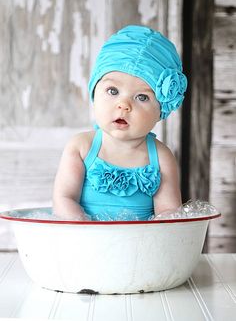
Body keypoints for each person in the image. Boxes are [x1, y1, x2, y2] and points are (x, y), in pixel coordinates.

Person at [53, 25, 187, 221]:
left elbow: (168, 214)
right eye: (113, 91)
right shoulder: (82, 148)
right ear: (94, 92)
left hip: (139, 246)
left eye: (142, 97)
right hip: (85, 242)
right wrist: (85, 228)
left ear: (161, 110)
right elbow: (64, 198)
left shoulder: (161, 157)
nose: (124, 105)